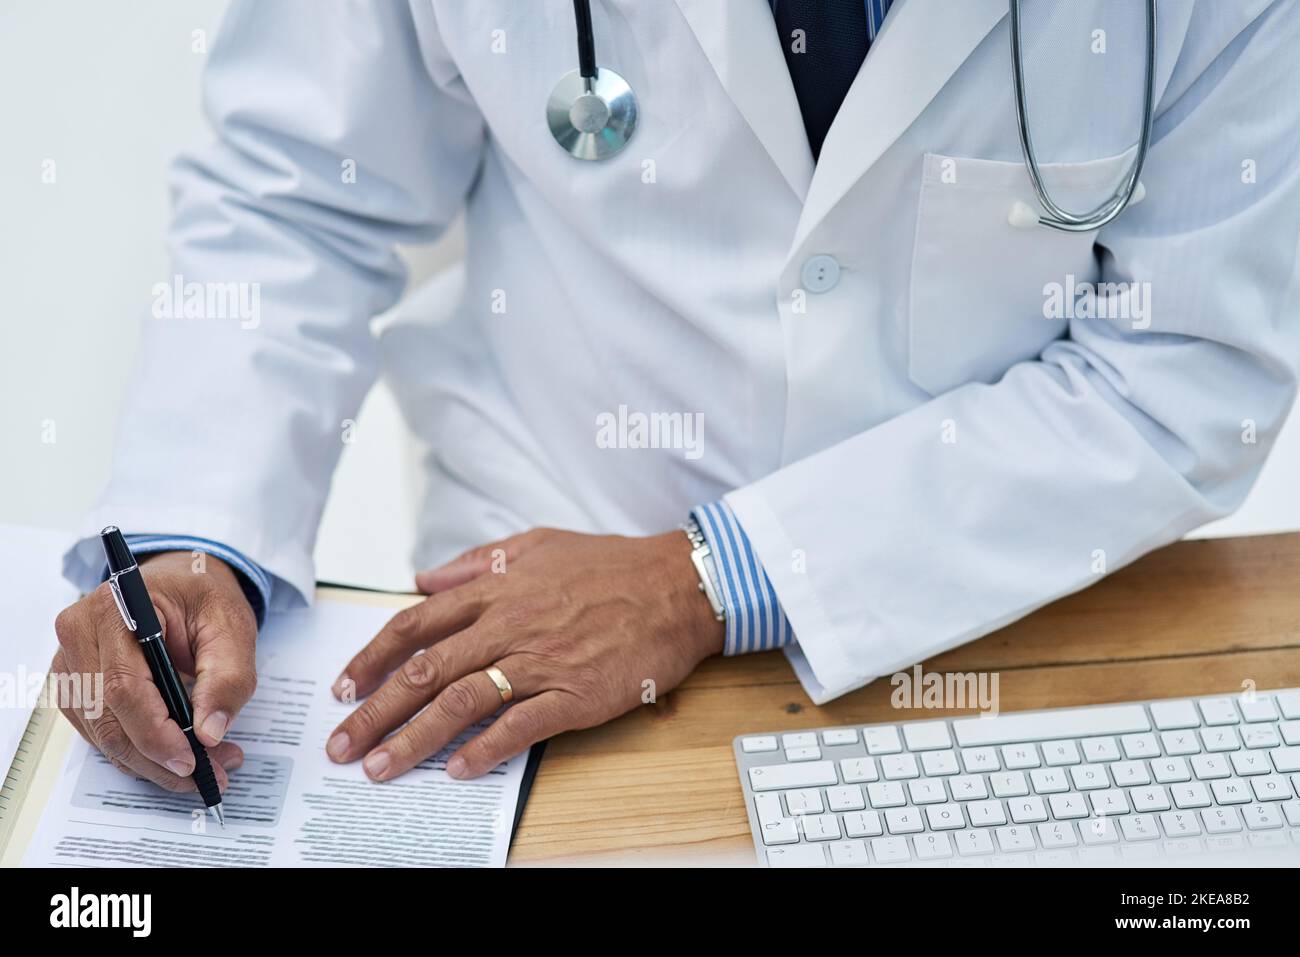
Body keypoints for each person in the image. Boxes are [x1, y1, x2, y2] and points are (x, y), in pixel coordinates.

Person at [53, 0, 1300, 797]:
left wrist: (714, 575)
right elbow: (299, 196)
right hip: (523, 613)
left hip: (990, 623)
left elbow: (1180, 367)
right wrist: (191, 533)